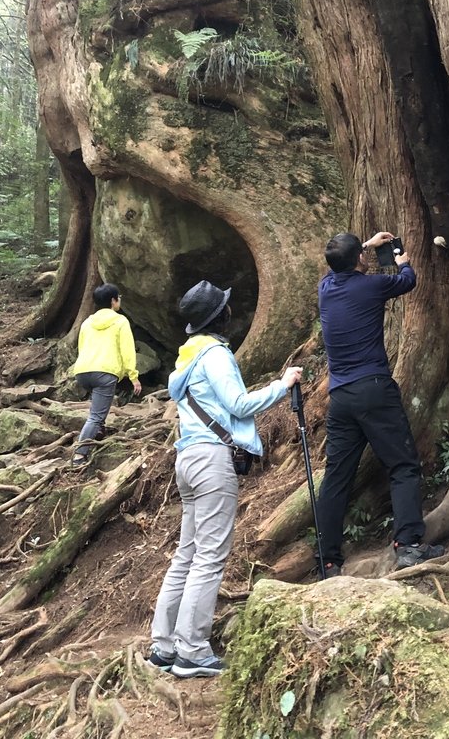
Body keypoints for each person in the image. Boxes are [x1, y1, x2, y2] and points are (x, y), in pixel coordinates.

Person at [148, 280, 302, 679]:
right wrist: (282, 386)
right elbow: (238, 404)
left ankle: (164, 646)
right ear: (220, 317)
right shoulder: (215, 355)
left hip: (188, 459)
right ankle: (192, 651)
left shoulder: (187, 359)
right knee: (209, 556)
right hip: (212, 461)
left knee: (188, 553)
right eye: (226, 308)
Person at [314, 231, 444, 576]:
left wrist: (366, 247)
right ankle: (410, 546)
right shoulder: (370, 287)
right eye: (362, 254)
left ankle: (327, 561)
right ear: (358, 259)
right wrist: (401, 259)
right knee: (402, 465)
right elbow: (407, 281)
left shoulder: (326, 290)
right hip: (373, 389)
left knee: (336, 478)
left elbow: (337, 268)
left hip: (340, 398)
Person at [71, 283, 141, 468]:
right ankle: (80, 454)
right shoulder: (120, 321)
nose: (120, 300)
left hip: (83, 371)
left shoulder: (87, 322)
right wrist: (133, 376)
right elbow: (127, 350)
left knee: (97, 407)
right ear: (113, 300)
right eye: (119, 297)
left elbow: (82, 346)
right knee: (96, 416)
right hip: (105, 372)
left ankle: (98, 434)